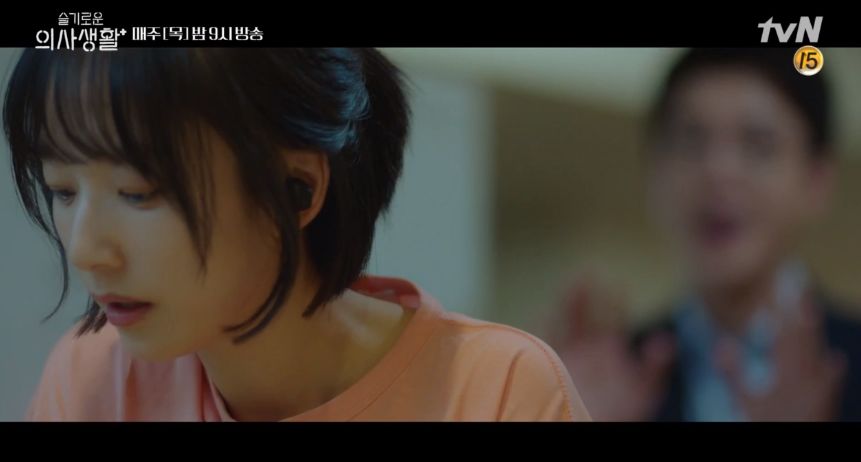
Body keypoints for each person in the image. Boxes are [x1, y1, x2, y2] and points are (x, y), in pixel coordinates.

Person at [4, 48, 590, 422]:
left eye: (139, 193)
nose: (86, 250)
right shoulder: (92, 381)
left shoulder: (496, 393)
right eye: (62, 191)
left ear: (297, 189)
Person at [557, 48, 861, 421]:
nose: (718, 170)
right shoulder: (612, 380)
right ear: (654, 172)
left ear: (817, 180)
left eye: (757, 145)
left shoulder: (850, 361)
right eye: (691, 141)